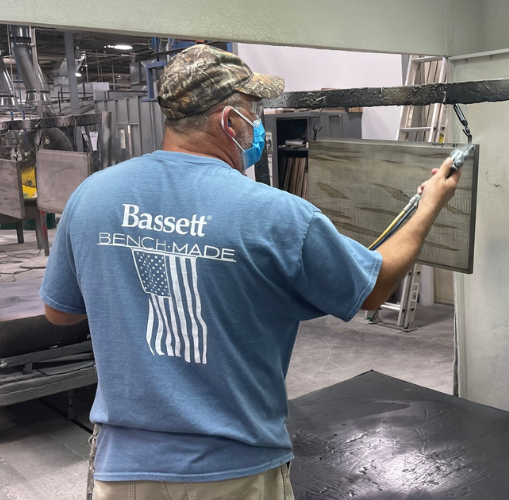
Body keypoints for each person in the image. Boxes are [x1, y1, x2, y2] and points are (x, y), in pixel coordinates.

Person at [40, 45, 461, 500]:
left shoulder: (94, 196)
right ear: (228, 121)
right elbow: (374, 288)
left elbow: (59, 312)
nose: (257, 124)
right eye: (253, 112)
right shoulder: (276, 215)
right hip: (233, 472)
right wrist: (429, 206)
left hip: (122, 470)